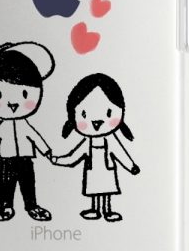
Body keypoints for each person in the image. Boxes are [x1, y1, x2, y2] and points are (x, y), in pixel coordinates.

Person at [0, 42, 55, 222]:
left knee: (28, 183)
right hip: (7, 160)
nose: (12, 103)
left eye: (24, 94)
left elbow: (35, 137)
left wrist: (47, 151)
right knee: (6, 184)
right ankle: (6, 206)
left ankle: (32, 206)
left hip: (26, 159)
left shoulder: (24, 125)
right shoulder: (2, 127)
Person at [52, 73, 140, 222]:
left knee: (106, 191)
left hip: (107, 170)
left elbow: (120, 153)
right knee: (95, 190)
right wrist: (58, 160)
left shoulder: (111, 140)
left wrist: (131, 166)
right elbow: (73, 156)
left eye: (108, 113)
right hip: (92, 171)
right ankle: (95, 209)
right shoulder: (87, 142)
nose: (96, 122)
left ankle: (107, 210)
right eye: (84, 114)